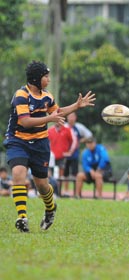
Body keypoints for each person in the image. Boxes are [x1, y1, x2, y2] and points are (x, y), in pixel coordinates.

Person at [3, 60, 95, 232]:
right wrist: (50, 119)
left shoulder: (47, 96)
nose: (49, 80)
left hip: (40, 143)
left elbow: (57, 113)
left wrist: (77, 105)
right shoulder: (21, 95)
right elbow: (25, 121)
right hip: (18, 140)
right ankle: (22, 217)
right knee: (18, 173)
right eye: (46, 77)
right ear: (36, 79)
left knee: (42, 185)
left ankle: (50, 208)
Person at [63, 112, 93, 195]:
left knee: (75, 174)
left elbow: (89, 135)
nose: (71, 118)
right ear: (67, 118)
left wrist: (81, 141)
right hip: (64, 154)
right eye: (69, 117)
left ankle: (75, 192)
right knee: (65, 174)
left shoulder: (79, 127)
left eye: (73, 117)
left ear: (75, 118)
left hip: (74, 154)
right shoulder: (64, 127)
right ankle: (65, 191)